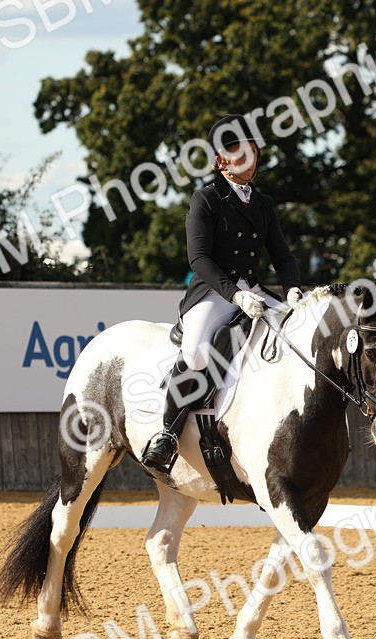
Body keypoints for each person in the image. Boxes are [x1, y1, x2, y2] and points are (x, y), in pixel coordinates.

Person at [140, 114, 303, 473]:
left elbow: (282, 255)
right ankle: (166, 434)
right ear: (220, 161)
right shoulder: (206, 200)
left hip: (256, 290)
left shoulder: (264, 205)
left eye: (251, 152)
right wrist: (235, 295)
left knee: (297, 336)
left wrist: (292, 291)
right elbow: (199, 258)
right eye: (237, 153)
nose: (247, 159)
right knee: (197, 354)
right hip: (213, 293)